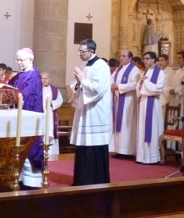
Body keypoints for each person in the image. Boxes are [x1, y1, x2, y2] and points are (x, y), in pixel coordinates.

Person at [70, 39, 112, 186]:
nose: (80, 54)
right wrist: (78, 83)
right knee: (83, 145)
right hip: (85, 111)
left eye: (82, 51)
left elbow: (98, 90)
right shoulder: (84, 65)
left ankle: (95, 179)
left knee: (94, 146)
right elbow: (79, 86)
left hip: (96, 112)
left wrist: (82, 81)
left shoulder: (101, 66)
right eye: (79, 51)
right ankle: (82, 179)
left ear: (92, 51)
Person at [14, 48, 45, 189]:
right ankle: (19, 177)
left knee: (28, 146)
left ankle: (30, 181)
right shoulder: (20, 75)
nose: (19, 63)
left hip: (29, 115)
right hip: (19, 115)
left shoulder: (33, 76)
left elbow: (26, 97)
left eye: (21, 60)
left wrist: (14, 98)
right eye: (17, 60)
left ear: (30, 59)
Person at [135, 51, 165, 164]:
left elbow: (158, 89)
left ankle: (152, 157)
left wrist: (145, 82)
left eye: (147, 58)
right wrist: (140, 83)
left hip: (152, 104)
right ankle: (142, 156)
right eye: (144, 58)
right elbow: (138, 87)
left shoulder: (160, 73)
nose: (145, 61)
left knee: (152, 129)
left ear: (153, 59)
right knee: (143, 128)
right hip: (143, 102)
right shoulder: (145, 72)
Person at [110, 50, 140, 159]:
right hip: (118, 99)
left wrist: (119, 87)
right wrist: (113, 85)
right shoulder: (118, 69)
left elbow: (135, 84)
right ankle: (119, 149)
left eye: (124, 56)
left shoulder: (135, 70)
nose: (121, 58)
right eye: (120, 56)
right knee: (118, 124)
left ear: (130, 58)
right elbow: (111, 79)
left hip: (128, 101)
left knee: (127, 125)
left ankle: (127, 151)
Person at [41, 72, 63, 155]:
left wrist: (51, 103)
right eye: (42, 78)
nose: (44, 80)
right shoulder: (37, 89)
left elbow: (60, 100)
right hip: (41, 114)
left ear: (49, 79)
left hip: (51, 114)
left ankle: (52, 154)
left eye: (46, 78)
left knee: (51, 132)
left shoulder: (55, 89)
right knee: (42, 134)